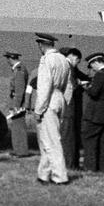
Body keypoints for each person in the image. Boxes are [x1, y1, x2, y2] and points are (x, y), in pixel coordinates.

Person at [31, 34, 72, 185]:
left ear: (42, 45)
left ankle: (60, 176)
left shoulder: (46, 60)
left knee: (51, 141)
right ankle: (43, 174)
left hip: (49, 99)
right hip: (60, 97)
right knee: (48, 139)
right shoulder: (63, 59)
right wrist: (65, 102)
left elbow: (44, 86)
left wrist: (38, 110)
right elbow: (69, 85)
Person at [79, 52, 104, 173]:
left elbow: (94, 93)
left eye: (92, 66)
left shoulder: (100, 75)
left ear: (95, 62)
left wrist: (86, 86)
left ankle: (90, 167)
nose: (92, 69)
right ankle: (103, 167)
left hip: (95, 111)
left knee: (90, 139)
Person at [2, 51, 32, 155]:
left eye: (7, 58)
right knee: (16, 128)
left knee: (19, 128)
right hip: (17, 103)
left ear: (11, 58)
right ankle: (18, 150)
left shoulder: (19, 70)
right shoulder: (18, 69)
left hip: (18, 104)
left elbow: (19, 91)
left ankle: (21, 151)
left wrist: (16, 106)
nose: (7, 61)